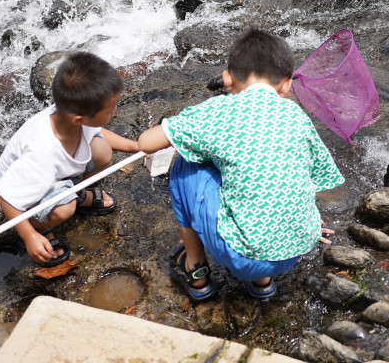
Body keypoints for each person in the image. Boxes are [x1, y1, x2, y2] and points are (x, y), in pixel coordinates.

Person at [138, 28, 344, 301]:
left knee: (185, 163)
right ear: (286, 85)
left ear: (227, 79)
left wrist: (182, 129)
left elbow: (146, 143)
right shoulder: (296, 114)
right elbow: (310, 174)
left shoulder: (217, 111)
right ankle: (262, 282)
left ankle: (195, 270)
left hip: (241, 255)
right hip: (297, 246)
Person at [0, 51, 139, 266]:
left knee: (102, 150)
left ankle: (74, 193)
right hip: (24, 196)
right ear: (79, 119)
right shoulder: (42, 151)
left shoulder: (70, 118)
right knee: (64, 210)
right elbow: (5, 196)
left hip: (54, 176)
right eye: (110, 109)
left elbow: (100, 133)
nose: (115, 111)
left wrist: (136, 146)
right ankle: (42, 223)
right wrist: (29, 236)